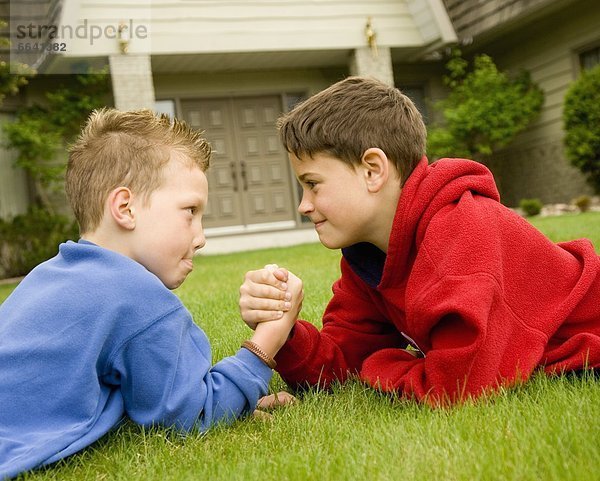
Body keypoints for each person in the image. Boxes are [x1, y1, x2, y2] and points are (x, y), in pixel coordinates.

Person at [239, 75, 600, 406]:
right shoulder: (369, 254)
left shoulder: (460, 232)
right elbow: (337, 367)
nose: (304, 205)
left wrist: (381, 364)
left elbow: (458, 387)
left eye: (312, 183)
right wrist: (282, 327)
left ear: (372, 170)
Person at [0, 108, 302, 479]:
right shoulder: (135, 293)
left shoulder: (43, 277)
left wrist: (235, 400)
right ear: (125, 208)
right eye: (190, 211)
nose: (201, 236)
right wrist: (268, 338)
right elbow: (192, 415)